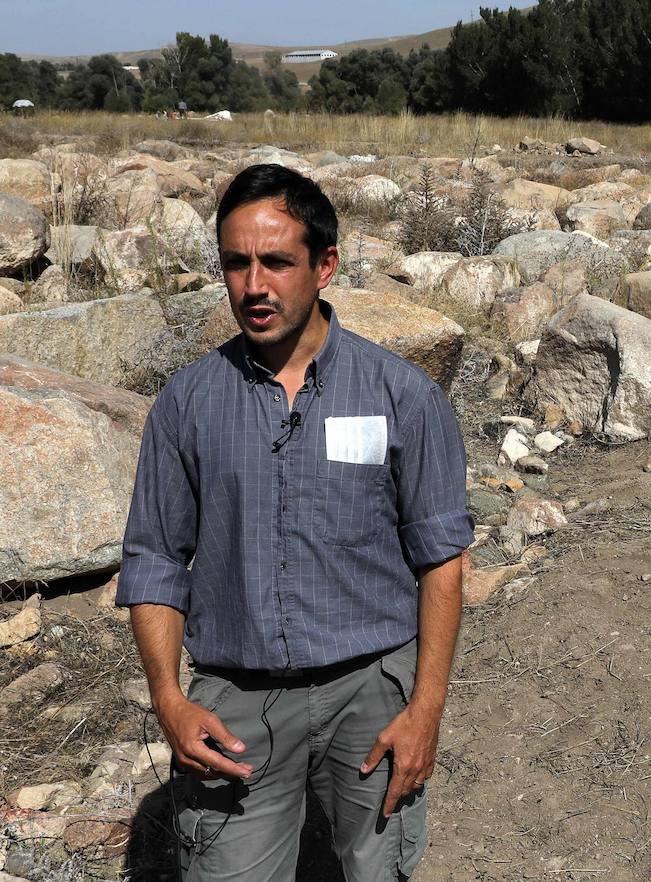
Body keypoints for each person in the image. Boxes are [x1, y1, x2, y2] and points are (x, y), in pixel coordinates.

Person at [118, 163, 473, 880]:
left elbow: (442, 559)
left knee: (375, 871)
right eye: (236, 264)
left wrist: (425, 709)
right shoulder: (187, 404)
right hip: (235, 706)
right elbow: (155, 561)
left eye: (277, 261)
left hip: (371, 693)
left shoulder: (402, 395)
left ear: (325, 265)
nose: (254, 286)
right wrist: (168, 699)